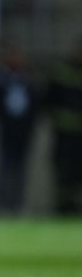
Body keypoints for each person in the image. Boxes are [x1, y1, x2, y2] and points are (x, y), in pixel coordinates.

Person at [0, 43, 39, 213]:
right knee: (4, 168)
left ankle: (18, 204)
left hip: (23, 133)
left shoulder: (28, 78)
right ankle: (0, 204)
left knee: (21, 170)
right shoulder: (0, 79)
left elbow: (36, 104)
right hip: (6, 132)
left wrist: (27, 123)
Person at [45, 37, 82, 215]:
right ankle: (63, 207)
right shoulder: (61, 71)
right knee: (65, 171)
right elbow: (50, 101)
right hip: (65, 134)